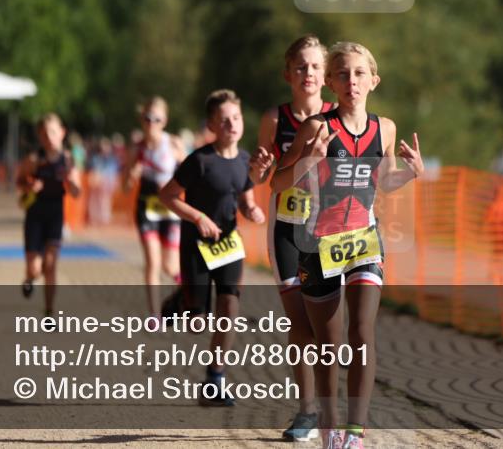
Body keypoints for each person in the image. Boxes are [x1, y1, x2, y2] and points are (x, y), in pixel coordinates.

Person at [272, 42, 423, 449]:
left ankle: (355, 433)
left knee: (362, 332)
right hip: (318, 243)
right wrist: (308, 159)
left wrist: (410, 173)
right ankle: (330, 429)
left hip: (364, 239)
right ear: (331, 82)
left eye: (359, 74)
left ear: (374, 80)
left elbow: (384, 181)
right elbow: (277, 183)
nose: (351, 81)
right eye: (342, 74)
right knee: (328, 344)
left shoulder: (385, 128)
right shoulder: (316, 127)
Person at [248, 35, 334, 442]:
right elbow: (260, 176)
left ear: (326, 74)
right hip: (286, 226)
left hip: (330, 229)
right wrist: (258, 169)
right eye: (301, 66)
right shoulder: (274, 118)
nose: (308, 73)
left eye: (315, 66)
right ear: (288, 74)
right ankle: (307, 410)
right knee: (299, 321)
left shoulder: (338, 115)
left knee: (328, 325)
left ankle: (333, 405)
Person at [159, 89, 265, 407]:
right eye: (224, 120)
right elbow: (167, 196)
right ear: (211, 125)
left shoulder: (245, 160)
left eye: (236, 118)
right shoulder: (199, 161)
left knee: (229, 307)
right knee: (197, 323)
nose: (232, 124)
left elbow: (244, 199)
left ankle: (215, 379)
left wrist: (251, 210)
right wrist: (198, 217)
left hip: (228, 245)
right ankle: (180, 301)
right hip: (196, 246)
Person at [126, 96, 186, 322]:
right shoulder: (137, 148)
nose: (152, 123)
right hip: (146, 209)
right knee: (152, 262)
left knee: (170, 266)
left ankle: (189, 294)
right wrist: (132, 175)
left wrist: (173, 185)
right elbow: (124, 186)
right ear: (142, 119)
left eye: (157, 119)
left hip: (170, 209)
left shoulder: (173, 144)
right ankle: (155, 315)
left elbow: (191, 175)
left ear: (165, 121)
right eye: (148, 118)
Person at [16, 114, 82, 316]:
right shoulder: (34, 159)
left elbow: (77, 193)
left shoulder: (68, 160)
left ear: (62, 133)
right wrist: (29, 185)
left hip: (55, 215)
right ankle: (29, 279)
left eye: (53, 132)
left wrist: (70, 182)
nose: (49, 137)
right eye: (44, 134)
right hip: (35, 216)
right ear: (39, 136)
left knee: (51, 266)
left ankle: (49, 311)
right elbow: (19, 181)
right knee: (35, 269)